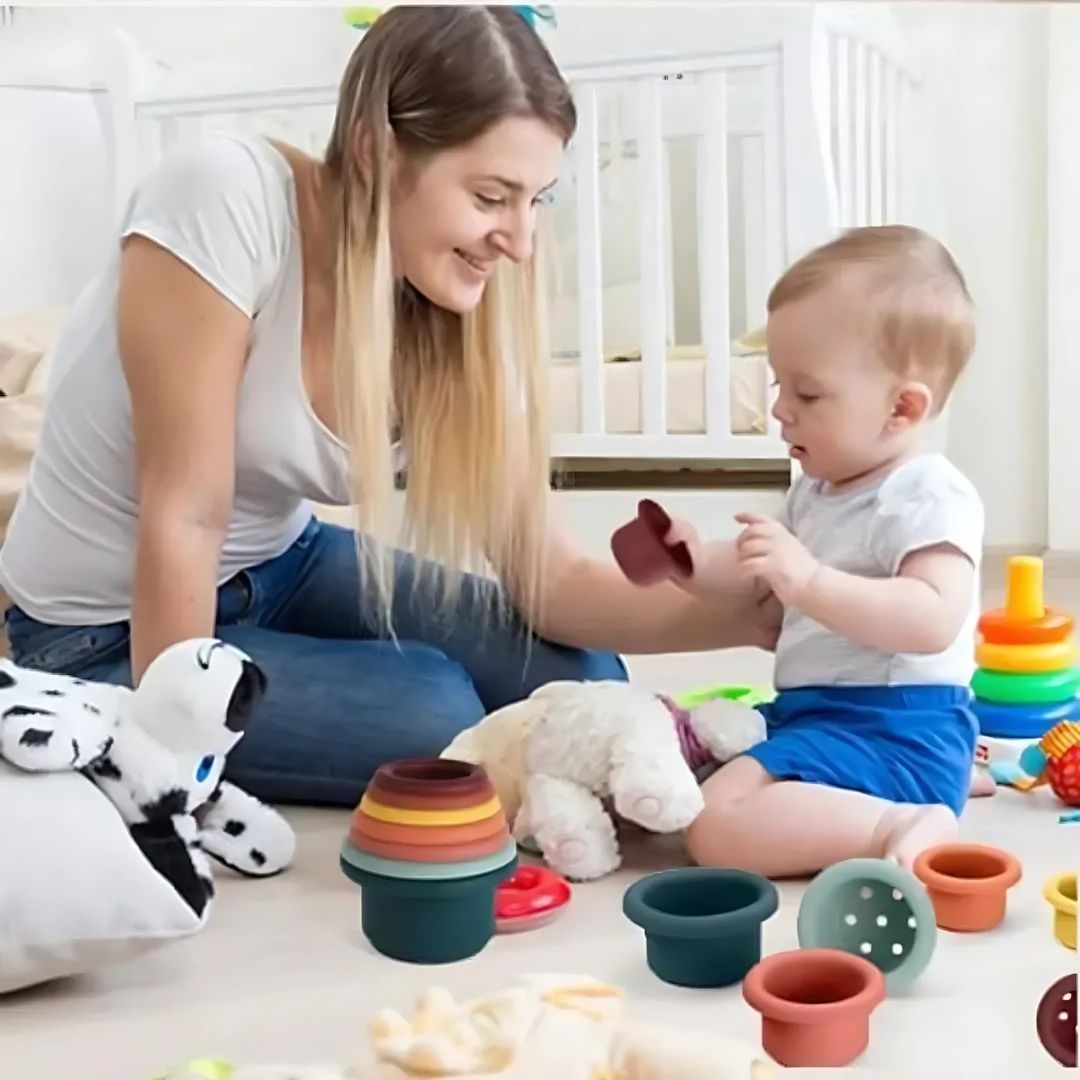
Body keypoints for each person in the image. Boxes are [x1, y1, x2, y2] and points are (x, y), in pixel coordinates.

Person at [0, 6, 778, 808]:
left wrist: (759, 614)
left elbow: (556, 579)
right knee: (440, 714)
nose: (520, 241)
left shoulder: (457, 305)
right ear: (376, 152)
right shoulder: (224, 198)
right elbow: (186, 515)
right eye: (491, 196)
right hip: (103, 628)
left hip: (281, 565)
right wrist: (167, 757)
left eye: (537, 200)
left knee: (580, 676)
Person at [652, 225, 985, 876]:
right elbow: (753, 574)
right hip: (820, 716)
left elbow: (933, 617)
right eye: (778, 386)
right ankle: (893, 799)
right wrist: (692, 561)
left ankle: (901, 821)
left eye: (806, 393)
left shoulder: (925, 494)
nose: (781, 410)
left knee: (714, 823)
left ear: (901, 409)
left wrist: (808, 582)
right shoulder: (817, 492)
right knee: (684, 762)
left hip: (894, 727)